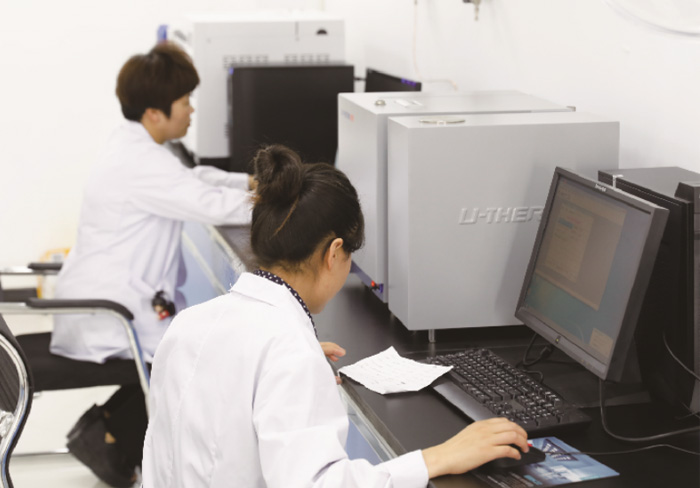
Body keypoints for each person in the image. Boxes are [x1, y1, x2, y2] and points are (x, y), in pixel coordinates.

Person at [141, 145, 530, 487]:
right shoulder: (289, 352)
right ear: (333, 253)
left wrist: (283, 370)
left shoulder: (190, 323)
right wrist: (437, 458)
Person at [52, 42, 255, 487]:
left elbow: (189, 179)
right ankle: (122, 446)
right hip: (111, 313)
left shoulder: (134, 146)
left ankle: (110, 440)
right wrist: (279, 203)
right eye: (185, 101)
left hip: (108, 302)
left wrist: (247, 182)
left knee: (196, 350)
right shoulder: (140, 163)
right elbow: (206, 202)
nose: (192, 110)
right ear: (154, 113)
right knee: (201, 359)